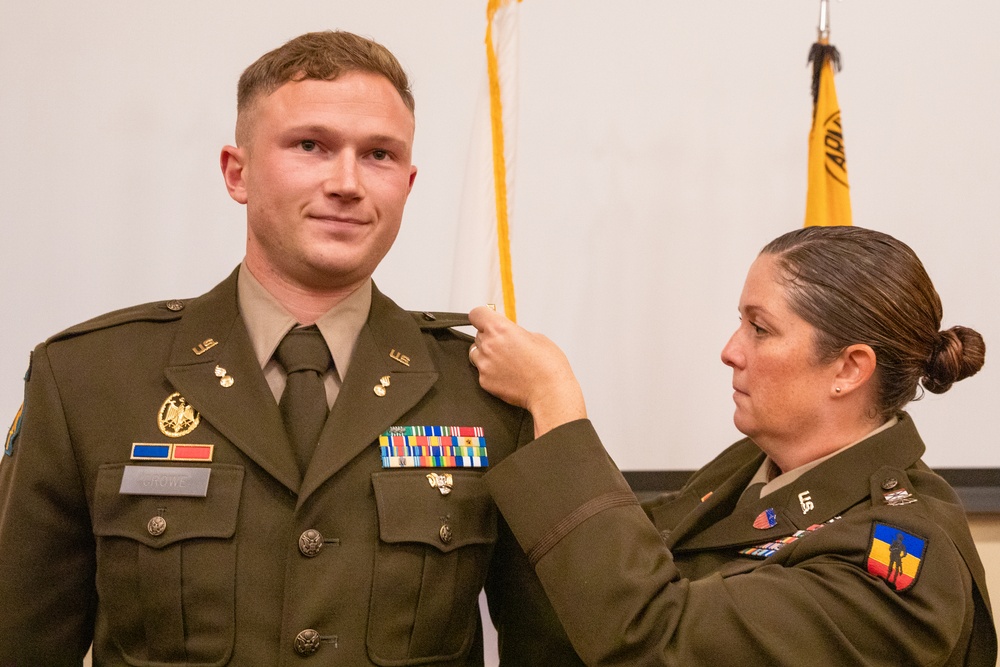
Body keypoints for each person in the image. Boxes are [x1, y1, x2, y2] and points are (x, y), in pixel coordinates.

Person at [0, 31, 581, 665]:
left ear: (408, 185)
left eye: (380, 155)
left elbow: (552, 647)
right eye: (311, 146)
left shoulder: (487, 388)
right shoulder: (89, 379)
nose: (348, 182)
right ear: (237, 172)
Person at [468, 225, 996, 666]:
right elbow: (638, 559)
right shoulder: (759, 463)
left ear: (848, 368)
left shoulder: (899, 566)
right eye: (740, 321)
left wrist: (554, 402)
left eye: (760, 328)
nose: (730, 350)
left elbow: (657, 638)